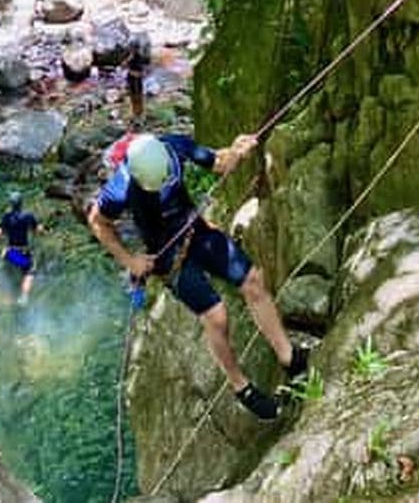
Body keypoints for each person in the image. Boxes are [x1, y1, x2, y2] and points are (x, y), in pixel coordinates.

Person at [88, 131, 307, 419]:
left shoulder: (173, 146)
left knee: (252, 280)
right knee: (216, 316)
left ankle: (289, 357)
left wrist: (236, 151)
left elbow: (217, 162)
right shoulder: (121, 186)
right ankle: (241, 388)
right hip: (167, 255)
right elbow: (97, 221)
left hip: (196, 231)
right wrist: (130, 260)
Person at [0, 192, 40, 304]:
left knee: (11, 276)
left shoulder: (6, 217)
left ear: (11, 204)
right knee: (29, 272)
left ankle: (12, 298)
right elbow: (38, 230)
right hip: (22, 252)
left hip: (10, 253)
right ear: (21, 203)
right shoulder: (28, 215)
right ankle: (24, 297)